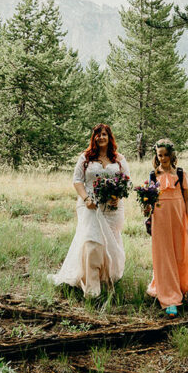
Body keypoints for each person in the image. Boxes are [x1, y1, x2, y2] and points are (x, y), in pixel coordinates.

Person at [50, 123, 129, 297]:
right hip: (90, 205)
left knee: (109, 242)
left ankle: (107, 278)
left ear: (109, 137)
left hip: (112, 208)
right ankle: (92, 288)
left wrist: (117, 197)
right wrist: (86, 198)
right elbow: (77, 180)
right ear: (93, 138)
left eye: (104, 134)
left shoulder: (119, 159)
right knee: (92, 242)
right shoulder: (86, 158)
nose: (101, 137)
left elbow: (126, 182)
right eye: (97, 135)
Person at [146, 139, 188, 317]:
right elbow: (148, 201)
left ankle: (180, 287)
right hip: (160, 218)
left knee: (179, 253)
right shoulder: (153, 176)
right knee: (164, 255)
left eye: (166, 155)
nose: (163, 158)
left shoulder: (181, 174)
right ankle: (169, 298)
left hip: (178, 217)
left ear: (172, 155)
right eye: (160, 155)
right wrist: (145, 207)